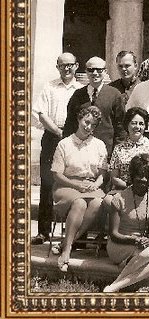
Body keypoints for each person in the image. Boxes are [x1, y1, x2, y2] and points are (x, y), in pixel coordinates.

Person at [32, 52, 82, 245]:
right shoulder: (49, 86)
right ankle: (43, 232)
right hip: (52, 137)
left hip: (74, 139)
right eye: (63, 65)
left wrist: (71, 135)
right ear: (57, 67)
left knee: (72, 181)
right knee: (47, 183)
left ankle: (72, 233)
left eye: (70, 65)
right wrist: (58, 132)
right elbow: (41, 113)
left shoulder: (81, 89)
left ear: (76, 66)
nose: (66, 68)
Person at [51, 105, 108, 272]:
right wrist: (76, 185)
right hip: (66, 185)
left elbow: (102, 174)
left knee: (98, 203)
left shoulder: (99, 145)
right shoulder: (64, 144)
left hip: (90, 185)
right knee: (80, 203)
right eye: (86, 122)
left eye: (93, 125)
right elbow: (56, 174)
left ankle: (66, 243)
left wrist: (95, 185)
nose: (88, 127)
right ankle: (67, 251)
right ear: (79, 119)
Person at [103, 155, 149, 293]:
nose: (142, 182)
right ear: (131, 177)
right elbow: (113, 234)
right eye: (138, 179)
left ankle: (113, 287)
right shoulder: (119, 198)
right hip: (119, 244)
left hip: (141, 246)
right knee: (148, 255)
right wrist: (134, 240)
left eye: (146, 179)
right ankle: (121, 274)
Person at [64, 56, 124, 157]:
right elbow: (70, 124)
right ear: (86, 72)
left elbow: (120, 126)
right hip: (80, 151)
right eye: (91, 70)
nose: (95, 73)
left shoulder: (114, 94)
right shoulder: (78, 95)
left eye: (99, 70)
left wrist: (117, 152)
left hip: (106, 152)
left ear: (105, 72)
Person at [106, 107, 149, 196]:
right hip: (122, 190)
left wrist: (145, 189)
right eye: (134, 123)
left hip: (146, 192)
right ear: (127, 125)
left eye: (141, 124)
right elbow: (114, 178)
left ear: (145, 126)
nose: (137, 127)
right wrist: (131, 188)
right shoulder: (118, 149)